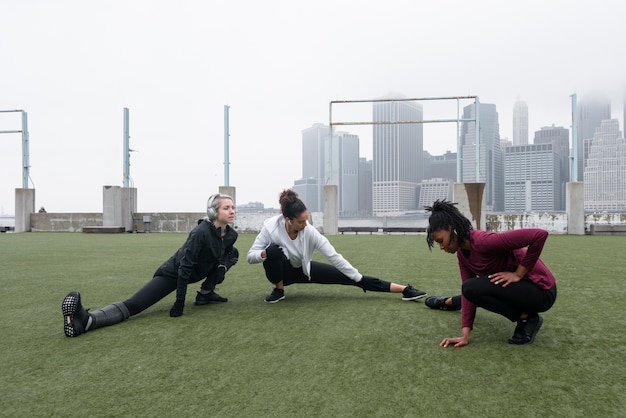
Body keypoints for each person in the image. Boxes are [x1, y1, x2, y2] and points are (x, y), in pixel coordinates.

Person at [61, 193, 239, 337]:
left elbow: (227, 252)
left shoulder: (231, 235)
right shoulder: (200, 233)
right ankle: (86, 321)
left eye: (233, 207)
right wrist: (180, 301)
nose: (232, 211)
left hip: (197, 273)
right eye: (226, 208)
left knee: (235, 253)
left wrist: (222, 267)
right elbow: (185, 266)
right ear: (213, 212)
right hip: (173, 274)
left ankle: (206, 295)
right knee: (135, 305)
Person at [246, 189, 427, 303]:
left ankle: (404, 290)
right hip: (279, 272)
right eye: (301, 222)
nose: (305, 224)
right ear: (288, 220)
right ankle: (279, 290)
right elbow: (250, 256)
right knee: (273, 251)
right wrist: (264, 254)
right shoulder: (270, 228)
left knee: (350, 277)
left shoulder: (309, 232)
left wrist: (357, 278)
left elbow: (334, 256)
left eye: (306, 220)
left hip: (302, 270)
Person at [425, 199, 557, 347]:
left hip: (541, 291)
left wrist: (518, 274)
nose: (441, 247)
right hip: (518, 291)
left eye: (441, 240)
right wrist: (465, 335)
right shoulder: (463, 254)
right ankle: (524, 316)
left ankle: (528, 320)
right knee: (470, 288)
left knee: (472, 287)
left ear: (452, 229)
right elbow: (469, 293)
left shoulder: (484, 242)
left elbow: (539, 235)